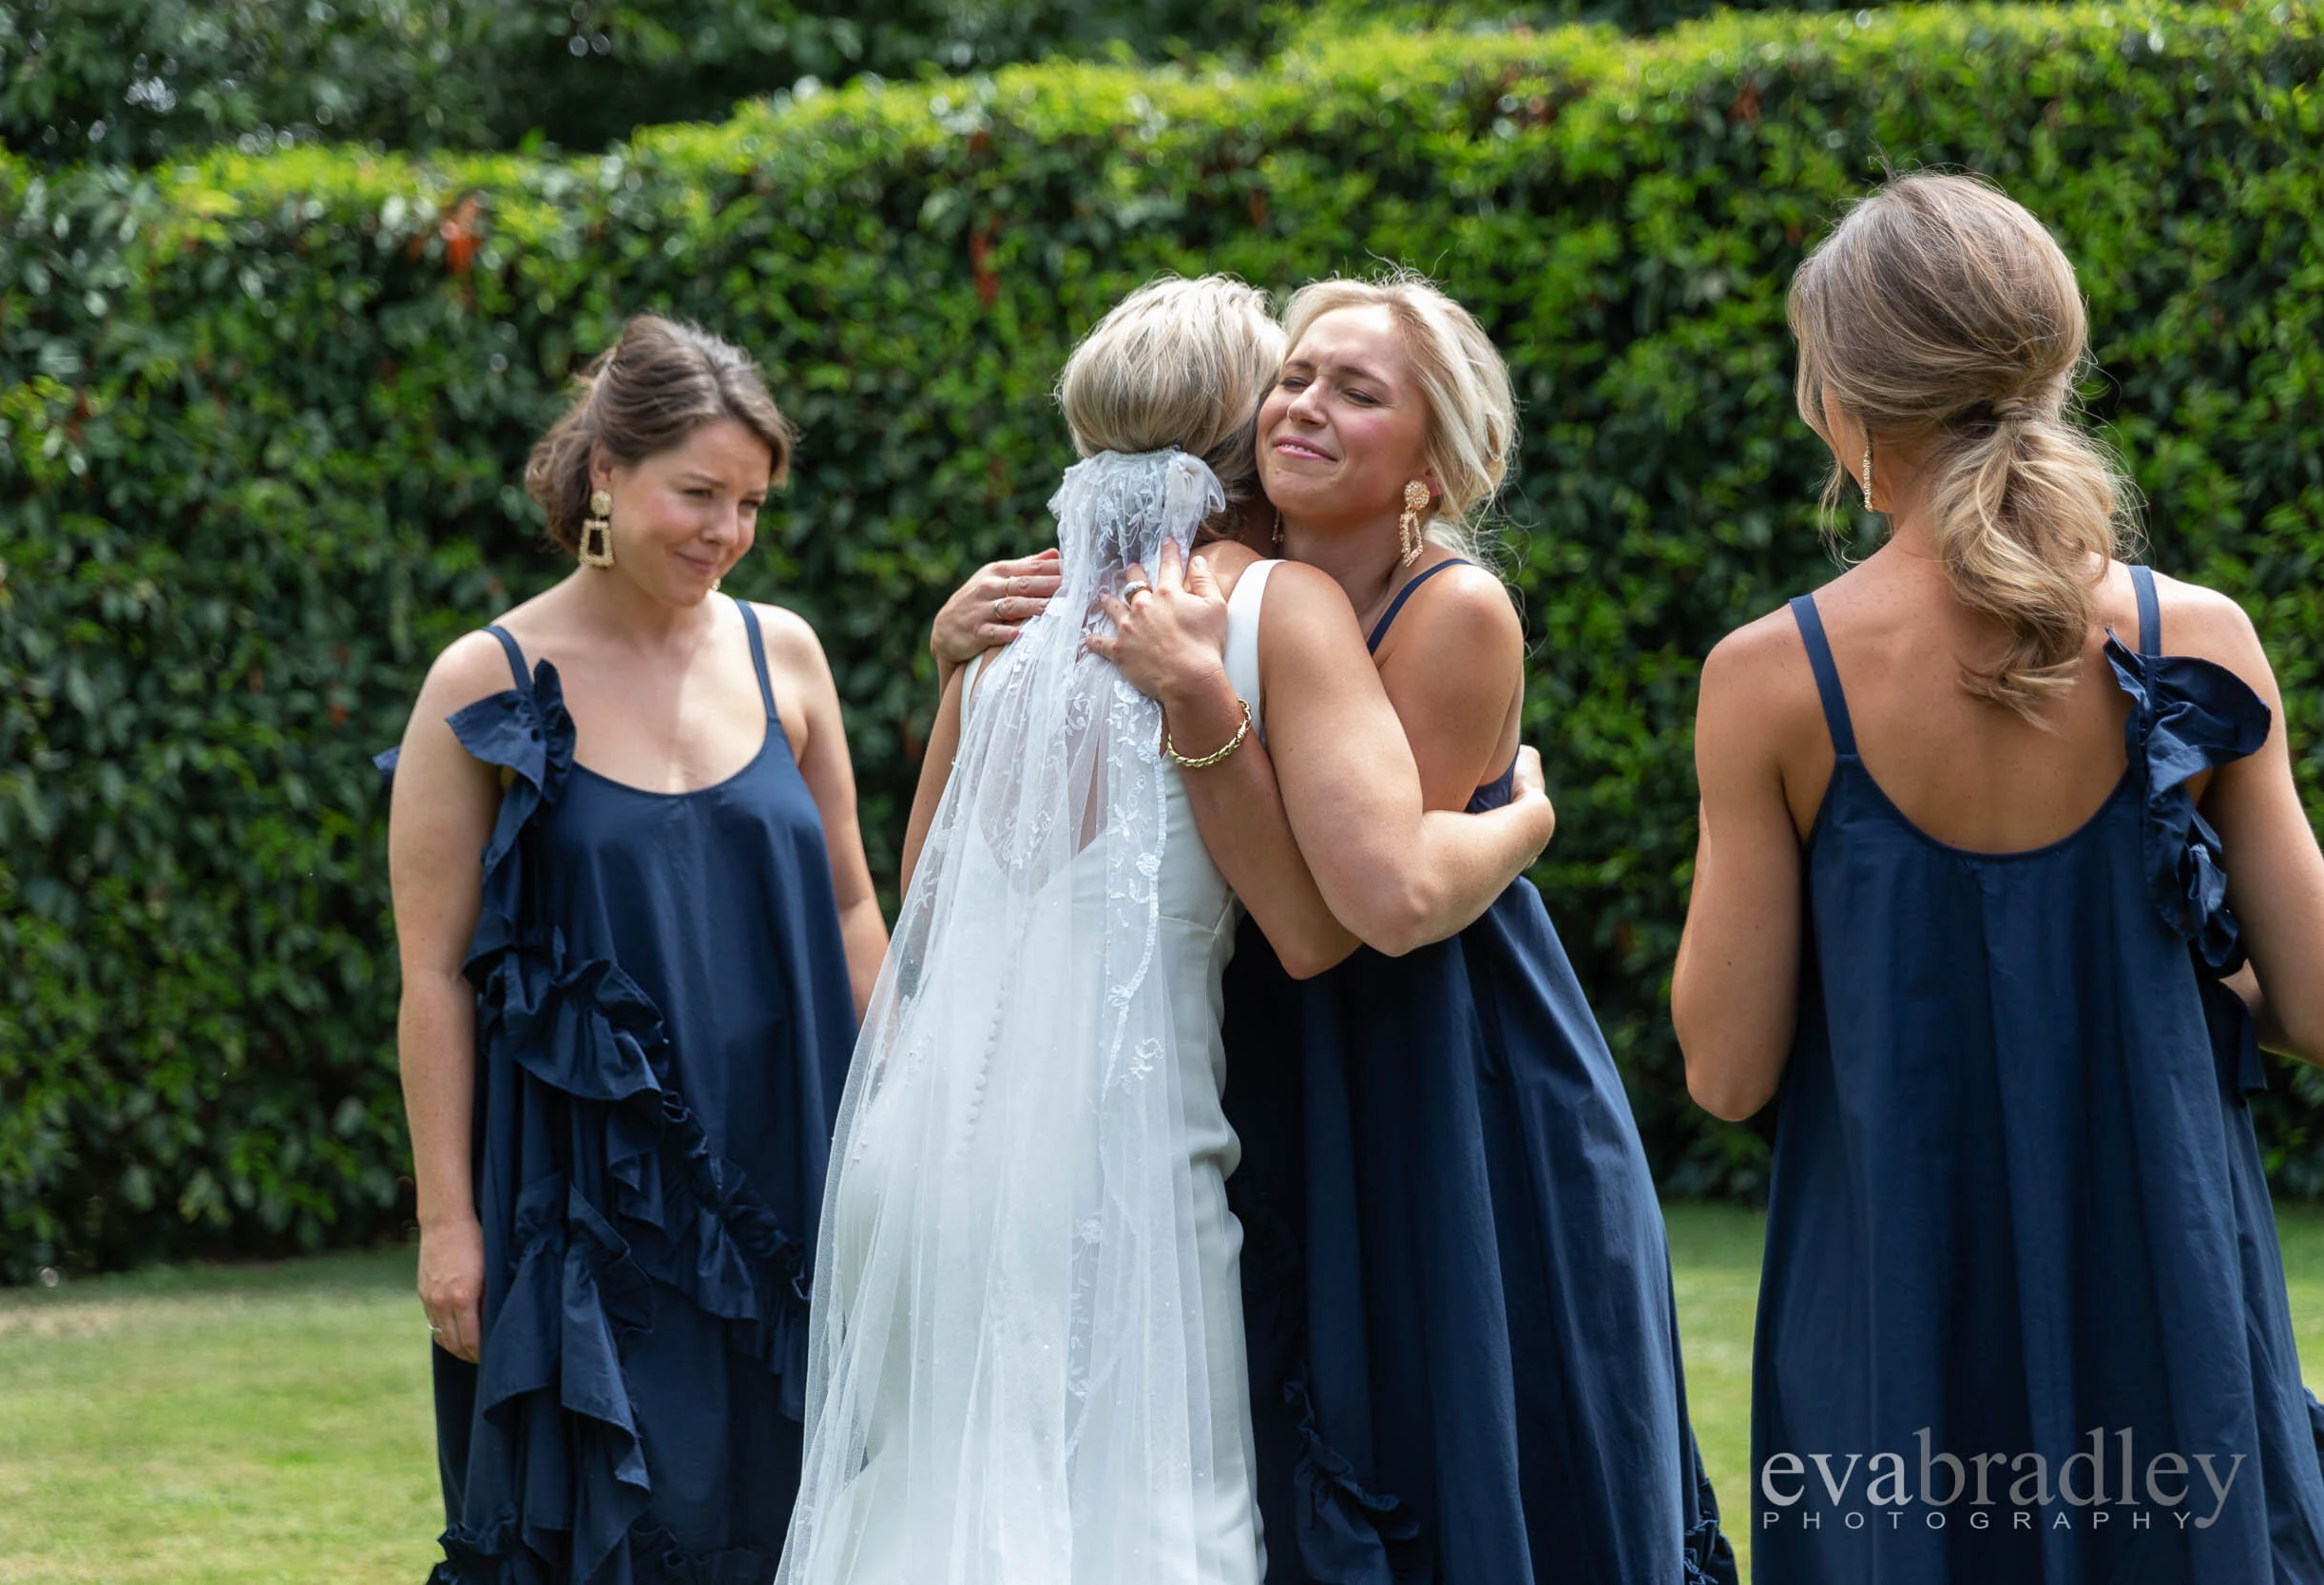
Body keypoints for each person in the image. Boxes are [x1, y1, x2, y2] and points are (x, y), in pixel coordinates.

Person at [778, 275, 1557, 1585]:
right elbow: (1319, 930)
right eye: (1288, 384)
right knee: (1151, 1529)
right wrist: (1526, 818)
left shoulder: (1005, 626)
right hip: (1118, 1160)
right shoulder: (1276, 605)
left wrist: (948, 666)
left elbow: (926, 900)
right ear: (1246, 431)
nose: (1304, 409)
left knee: (927, 1515)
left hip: (914, 1163)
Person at [1675, 172, 2324, 1582]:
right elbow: (2320, 1002)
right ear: (2055, 362)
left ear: (1842, 401)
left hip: (1897, 1331)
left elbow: (1724, 1071)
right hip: (2168, 1316)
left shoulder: (1770, 679)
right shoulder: (2198, 637)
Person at [1090, 272, 1733, 1585]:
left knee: (1458, 1428)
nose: (1304, 406)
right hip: (1271, 1044)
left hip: (1442, 1066)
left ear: (1433, 467)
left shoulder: (1454, 610)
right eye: (1294, 377)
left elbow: (1365, 903)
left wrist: (1522, 826)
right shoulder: (1225, 584)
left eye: (1357, 392)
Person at [381, 314, 885, 1582]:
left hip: (791, 1164)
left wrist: (903, 1132)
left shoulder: (786, 654)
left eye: (751, 503)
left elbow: (849, 910)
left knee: (807, 1511)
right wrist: (447, 1223)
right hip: (582, 1201)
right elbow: (433, 976)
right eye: (698, 493)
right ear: (607, 471)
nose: (726, 531)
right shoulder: (481, 680)